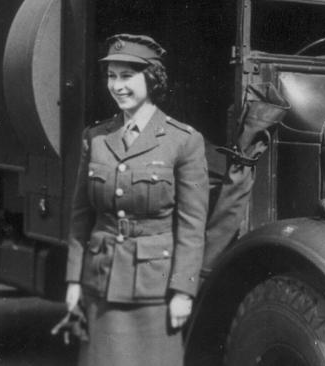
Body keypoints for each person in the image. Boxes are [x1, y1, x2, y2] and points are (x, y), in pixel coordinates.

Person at [63, 34, 209, 366]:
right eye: (112, 77)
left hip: (153, 290)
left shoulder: (183, 141)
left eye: (127, 76)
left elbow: (191, 225)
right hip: (100, 285)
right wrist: (73, 281)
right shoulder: (96, 138)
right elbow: (80, 217)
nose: (117, 86)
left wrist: (184, 291)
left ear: (152, 78)